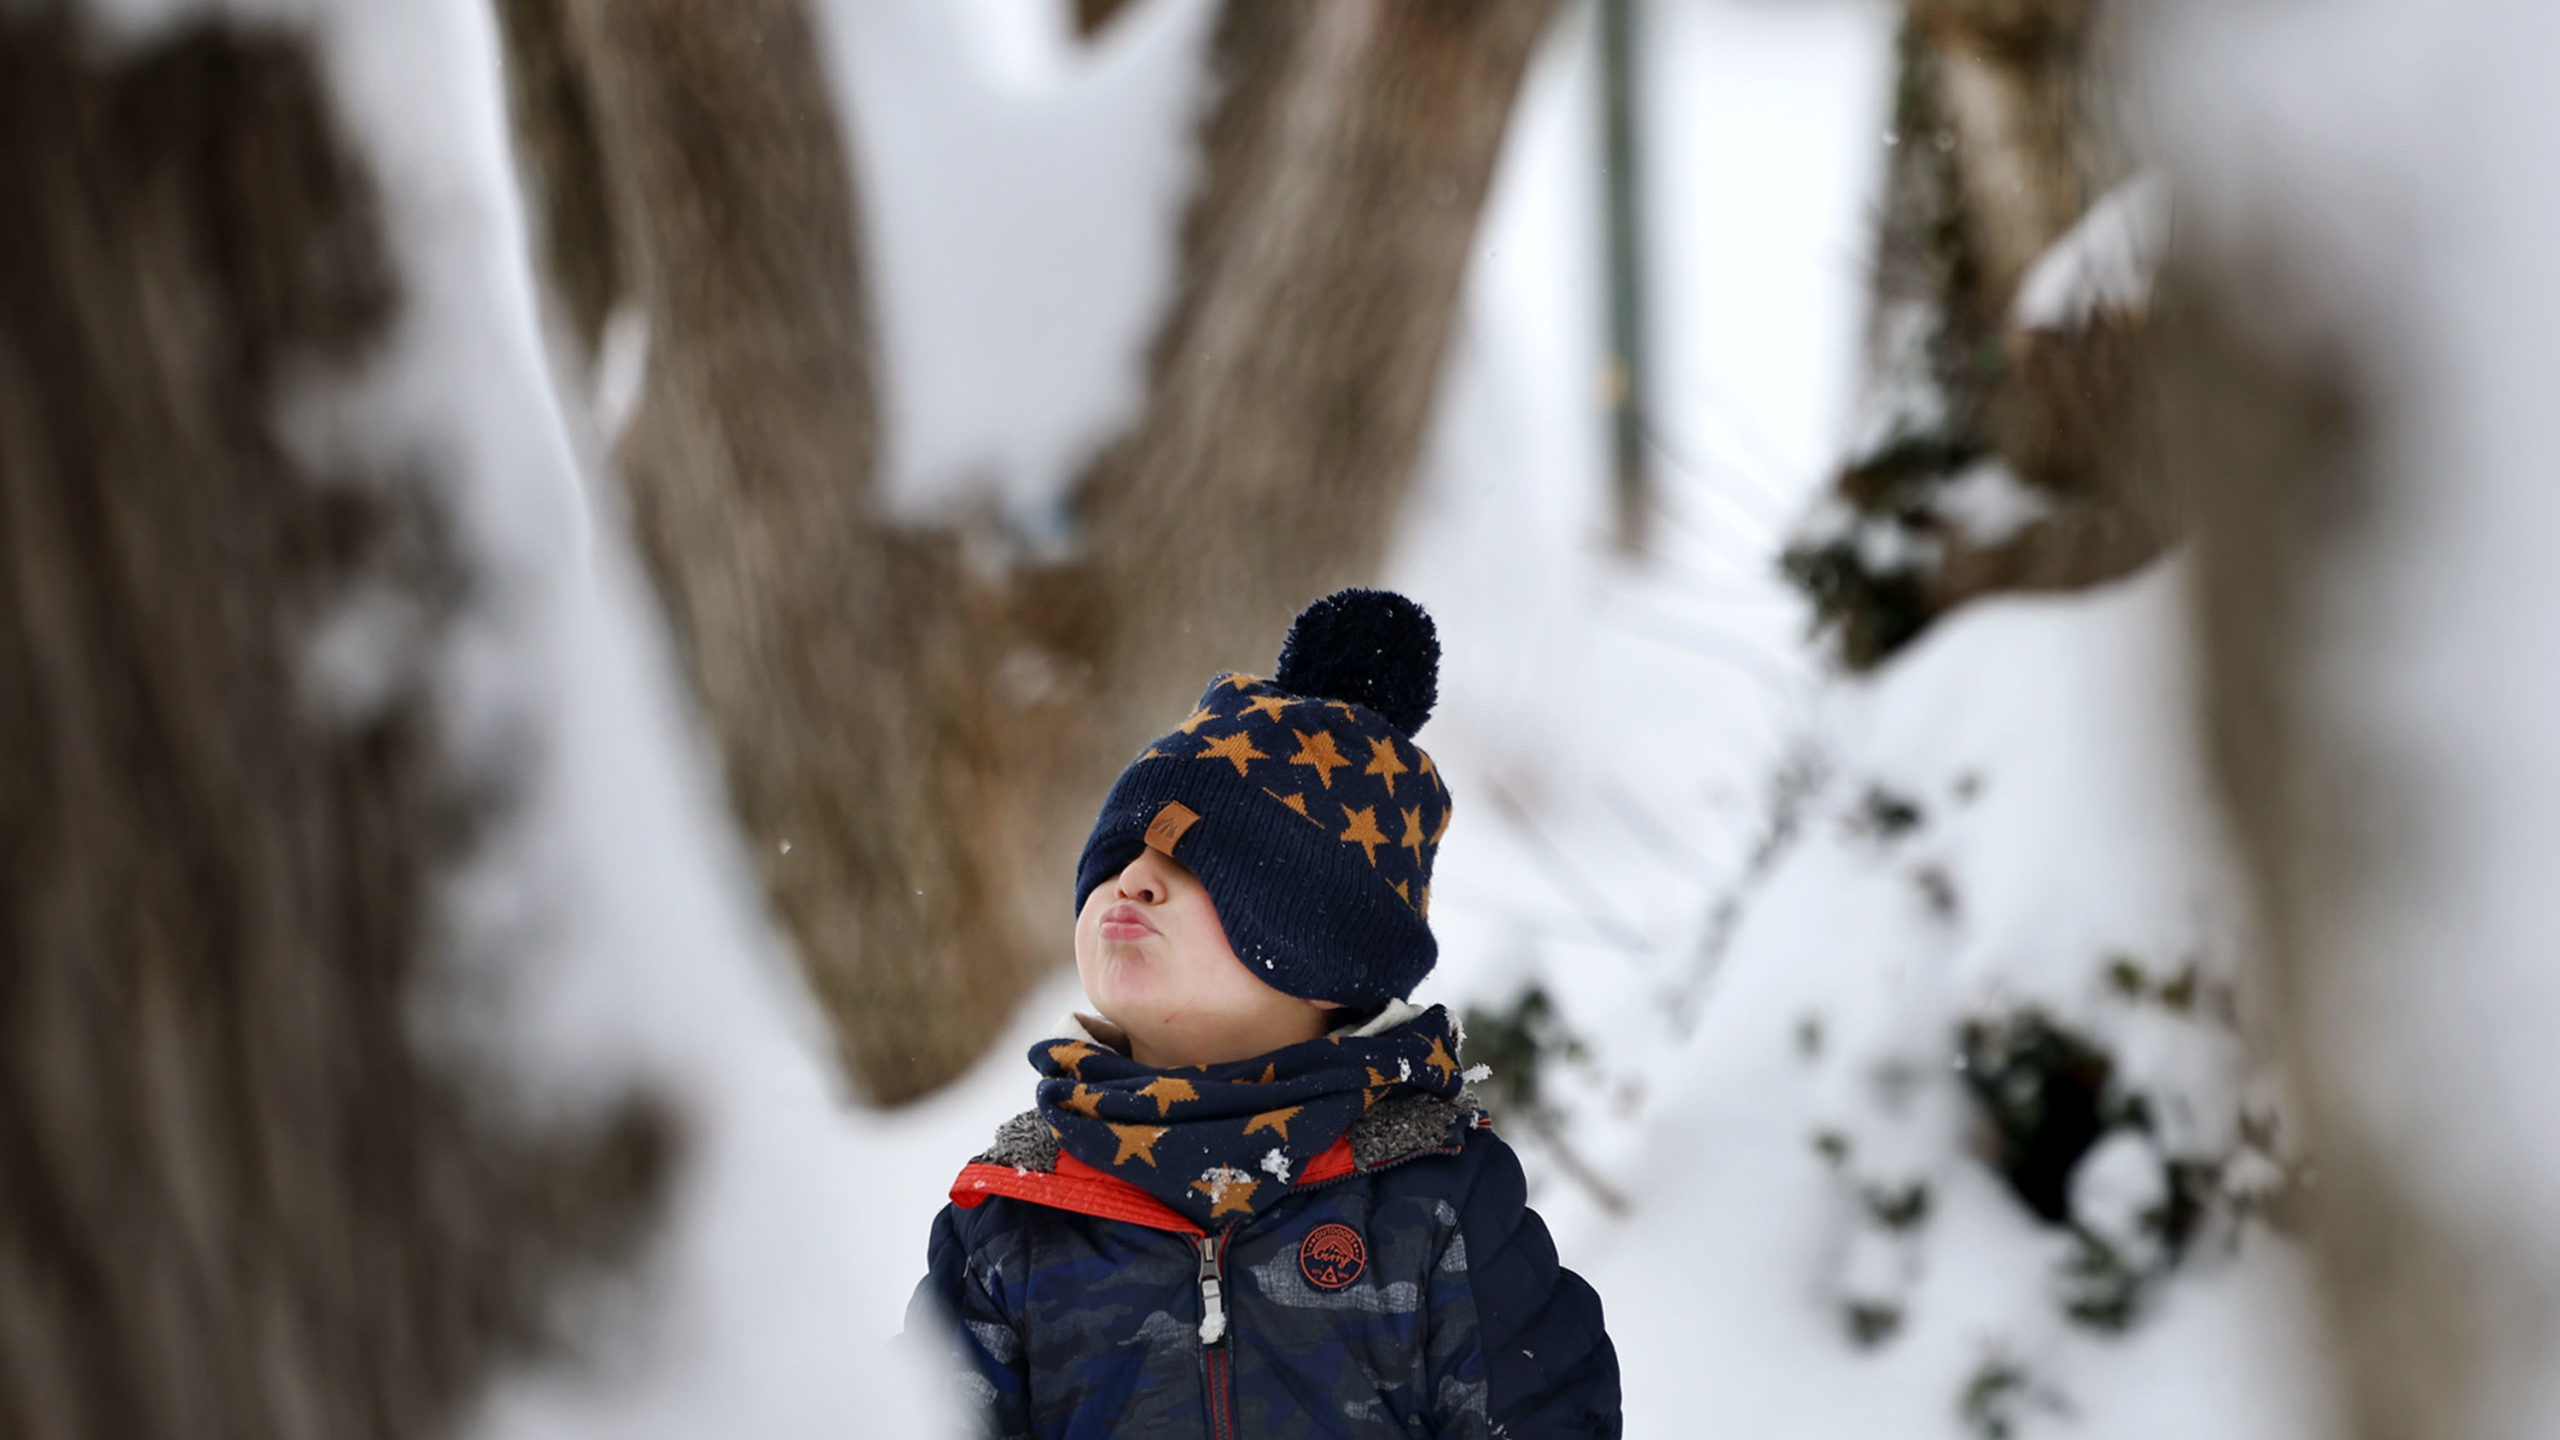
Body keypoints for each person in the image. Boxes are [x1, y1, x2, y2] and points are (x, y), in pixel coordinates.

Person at [907, 588, 1621, 1439]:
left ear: (1328, 957)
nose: (1133, 878)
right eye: (1121, 850)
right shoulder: (1015, 1223)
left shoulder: (1433, 1207)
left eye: (1199, 861)